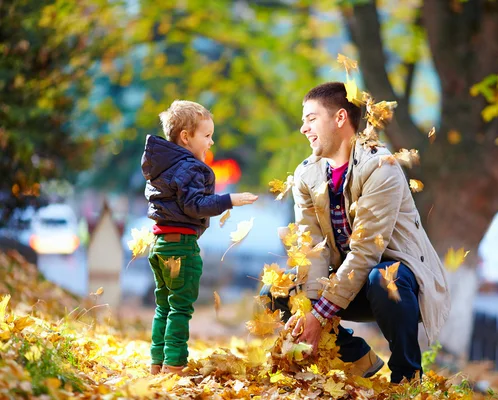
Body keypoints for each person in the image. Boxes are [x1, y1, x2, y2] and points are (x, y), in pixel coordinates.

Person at [259, 82, 450, 383]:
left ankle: (407, 376)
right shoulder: (306, 175)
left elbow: (366, 252)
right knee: (275, 291)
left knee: (386, 277)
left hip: (392, 285)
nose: (303, 128)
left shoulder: (380, 167)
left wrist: (319, 315)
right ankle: (357, 357)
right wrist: (309, 309)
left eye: (311, 118)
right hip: (345, 284)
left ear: (339, 119)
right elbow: (312, 249)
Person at [142, 100, 257, 375]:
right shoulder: (191, 168)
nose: (211, 141)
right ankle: (175, 365)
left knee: (164, 307)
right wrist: (229, 200)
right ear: (185, 137)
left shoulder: (162, 166)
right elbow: (195, 205)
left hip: (159, 244)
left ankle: (157, 363)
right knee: (180, 309)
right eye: (206, 136)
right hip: (181, 247)